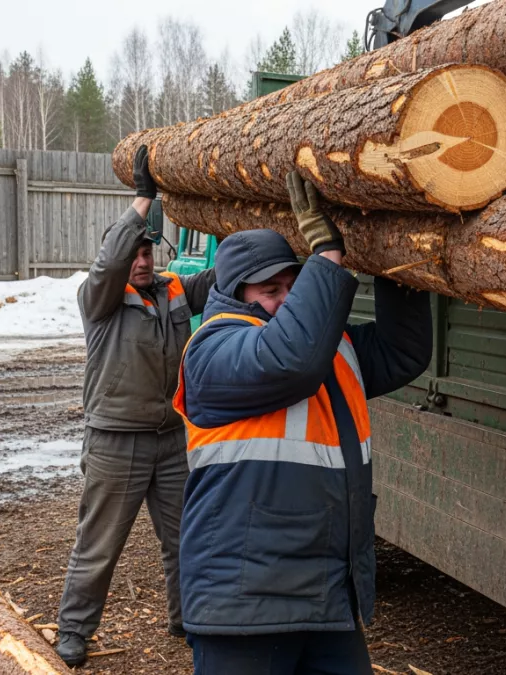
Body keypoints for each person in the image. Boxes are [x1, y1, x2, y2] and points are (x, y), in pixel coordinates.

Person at [174, 171, 433, 674]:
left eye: (295, 285)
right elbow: (291, 359)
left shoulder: (331, 349)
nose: (288, 299)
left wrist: (393, 256)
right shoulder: (212, 351)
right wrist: (326, 258)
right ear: (232, 295)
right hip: (245, 606)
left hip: (328, 599)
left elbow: (404, 352)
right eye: (271, 289)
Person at [55, 145, 216, 667]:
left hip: (170, 441)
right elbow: (109, 263)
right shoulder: (99, 299)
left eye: (148, 252)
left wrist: (240, 222)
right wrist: (143, 199)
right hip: (115, 441)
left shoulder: (171, 290)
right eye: (135, 254)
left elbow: (219, 280)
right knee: (98, 546)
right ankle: (75, 630)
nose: (143, 261)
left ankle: (186, 618)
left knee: (184, 539)